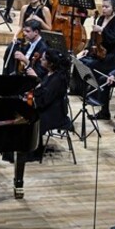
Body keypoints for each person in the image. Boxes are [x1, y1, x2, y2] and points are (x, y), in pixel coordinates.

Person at [6, 48, 71, 189]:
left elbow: (45, 98)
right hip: (47, 108)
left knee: (29, 120)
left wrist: (37, 84)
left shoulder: (58, 79)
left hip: (53, 114)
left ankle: (29, 149)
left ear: (51, 64)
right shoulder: (51, 73)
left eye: (43, 59)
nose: (41, 60)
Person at [79, 0, 115, 111]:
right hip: (100, 53)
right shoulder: (100, 19)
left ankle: (93, 93)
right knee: (81, 61)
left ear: (113, 8)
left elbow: (114, 39)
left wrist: (102, 30)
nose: (104, 9)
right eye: (103, 6)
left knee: (90, 65)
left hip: (112, 56)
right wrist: (87, 49)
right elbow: (94, 38)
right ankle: (82, 90)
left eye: (107, 7)